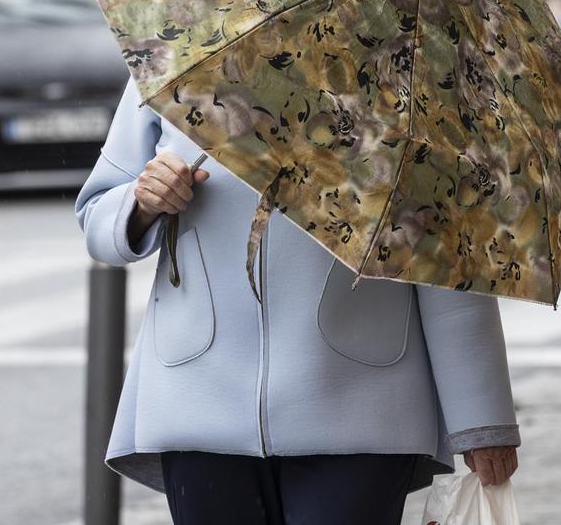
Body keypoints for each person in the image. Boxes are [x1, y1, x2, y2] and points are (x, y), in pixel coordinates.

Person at [75, 79, 522, 524]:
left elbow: (448, 255)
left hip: (359, 408)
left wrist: (482, 421)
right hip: (199, 396)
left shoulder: (405, 70)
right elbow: (97, 214)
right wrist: (143, 202)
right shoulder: (175, 52)